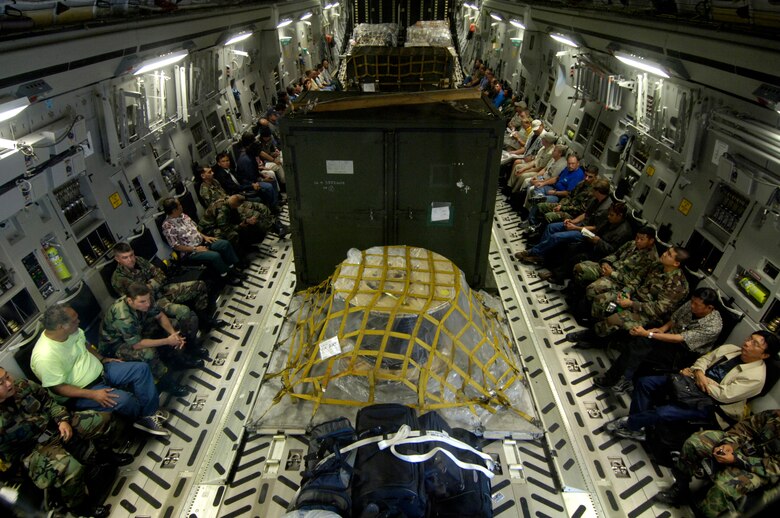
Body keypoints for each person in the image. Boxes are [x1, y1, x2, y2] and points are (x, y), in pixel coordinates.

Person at [0, 367, 132, 516]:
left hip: (55, 425)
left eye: (7, 377)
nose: (9, 383)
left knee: (103, 420)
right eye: (1, 383)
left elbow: (49, 402)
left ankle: (105, 455)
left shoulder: (22, 385)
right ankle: (80, 507)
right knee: (70, 468)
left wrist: (62, 419)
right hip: (32, 449)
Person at [605, 331, 780, 441]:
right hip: (693, 381)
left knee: (663, 412)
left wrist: (701, 378)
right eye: (750, 338)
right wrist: (699, 374)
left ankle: (631, 423)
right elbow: (704, 360)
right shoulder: (730, 349)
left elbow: (723, 395)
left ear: (764, 355)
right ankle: (639, 426)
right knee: (645, 382)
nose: (747, 343)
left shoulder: (756, 377)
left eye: (755, 344)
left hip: (712, 405)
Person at [30, 305, 169, 436]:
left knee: (140, 369)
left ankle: (149, 415)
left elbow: (84, 344)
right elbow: (58, 388)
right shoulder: (45, 356)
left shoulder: (72, 331)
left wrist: (102, 359)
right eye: (74, 321)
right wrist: (93, 394)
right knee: (126, 400)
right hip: (83, 391)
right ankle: (140, 419)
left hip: (101, 370)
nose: (78, 321)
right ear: (61, 327)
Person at [593, 287, 723, 393]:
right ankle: (623, 377)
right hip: (671, 335)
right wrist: (661, 329)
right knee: (637, 342)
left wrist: (648, 334)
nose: (692, 306)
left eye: (697, 304)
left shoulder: (713, 326)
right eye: (692, 301)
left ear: (709, 308)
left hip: (684, 351)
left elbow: (679, 339)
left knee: (641, 344)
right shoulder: (691, 305)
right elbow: (675, 319)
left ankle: (618, 378)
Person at [654, 409, 780, 517]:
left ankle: (703, 514)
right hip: (739, 448)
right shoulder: (775, 415)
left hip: (760, 469)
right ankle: (680, 488)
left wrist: (736, 459)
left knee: (722, 488)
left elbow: (774, 466)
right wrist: (729, 444)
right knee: (694, 443)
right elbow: (746, 427)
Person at [100, 282, 207, 386]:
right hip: (117, 345)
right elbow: (136, 344)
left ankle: (178, 360)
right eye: (142, 302)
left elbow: (160, 315)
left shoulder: (145, 300)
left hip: (137, 331)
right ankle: (166, 382)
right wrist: (167, 341)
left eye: (148, 300)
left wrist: (174, 334)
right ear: (130, 301)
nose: (147, 304)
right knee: (147, 353)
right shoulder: (123, 316)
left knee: (170, 326)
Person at [111, 242, 224, 331]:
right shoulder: (119, 279)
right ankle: (188, 341)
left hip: (163, 290)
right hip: (151, 303)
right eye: (125, 257)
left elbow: (160, 274)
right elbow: (141, 295)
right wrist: (153, 283)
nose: (130, 260)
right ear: (117, 259)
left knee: (199, 285)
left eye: (131, 255)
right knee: (183, 311)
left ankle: (205, 319)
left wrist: (150, 285)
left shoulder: (139, 260)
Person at [584, 246, 690, 340]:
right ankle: (597, 328)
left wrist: (631, 304)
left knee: (614, 319)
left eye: (669, 255)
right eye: (667, 251)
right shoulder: (657, 265)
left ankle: (592, 338)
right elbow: (637, 279)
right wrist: (626, 291)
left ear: (676, 263)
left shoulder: (678, 285)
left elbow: (658, 309)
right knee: (602, 300)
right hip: (633, 298)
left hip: (648, 314)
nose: (664, 254)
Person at [515, 178, 613, 264]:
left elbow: (595, 228)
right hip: (581, 225)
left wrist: (575, 228)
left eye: (594, 190)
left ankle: (534, 252)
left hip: (589, 233)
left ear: (599, 192)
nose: (592, 192)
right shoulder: (595, 200)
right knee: (551, 227)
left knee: (556, 236)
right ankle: (540, 254)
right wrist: (573, 221)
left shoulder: (605, 209)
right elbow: (585, 214)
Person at [160, 197, 244, 286]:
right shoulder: (167, 226)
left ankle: (232, 269)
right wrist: (195, 249)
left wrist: (205, 237)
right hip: (190, 252)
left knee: (225, 244)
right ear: (174, 210)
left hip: (202, 242)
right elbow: (175, 246)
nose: (181, 206)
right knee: (215, 256)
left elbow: (194, 230)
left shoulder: (183, 216)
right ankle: (226, 277)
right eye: (179, 205)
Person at [572, 226, 658, 289]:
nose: (637, 241)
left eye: (642, 239)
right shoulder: (631, 244)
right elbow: (616, 254)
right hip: (610, 268)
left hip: (619, 281)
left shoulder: (650, 258)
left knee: (592, 289)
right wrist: (606, 262)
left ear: (651, 241)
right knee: (579, 268)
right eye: (637, 237)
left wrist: (612, 273)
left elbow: (633, 280)